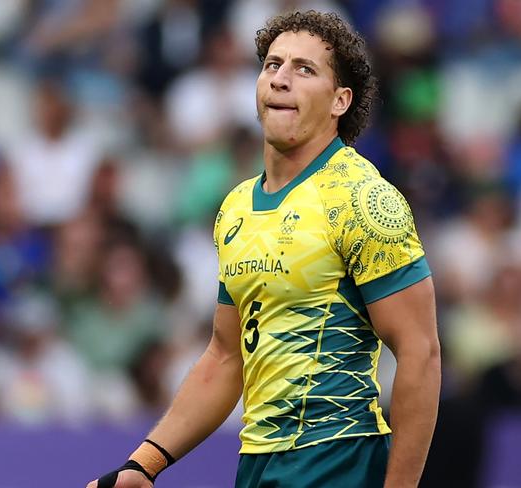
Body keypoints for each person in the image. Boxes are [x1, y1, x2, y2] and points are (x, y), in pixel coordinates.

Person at [87, 10, 440, 488]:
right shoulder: (235, 209)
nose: (280, 79)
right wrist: (142, 465)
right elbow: (225, 356)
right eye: (272, 65)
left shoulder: (364, 198)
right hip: (256, 467)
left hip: (339, 459)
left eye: (304, 69)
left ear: (340, 101)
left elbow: (420, 353)